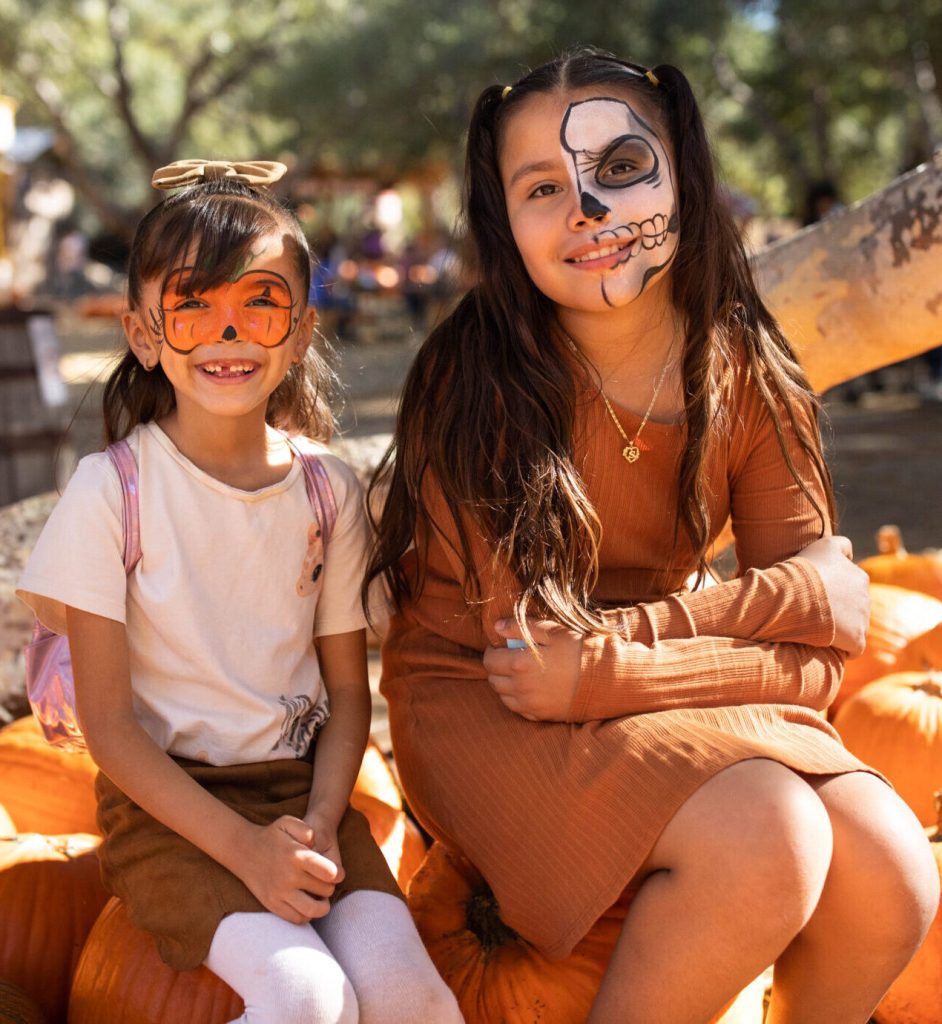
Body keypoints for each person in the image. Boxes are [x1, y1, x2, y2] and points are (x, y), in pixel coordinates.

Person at [366, 50, 940, 1023]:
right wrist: (783, 604)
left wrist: (622, 666)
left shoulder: (746, 364)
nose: (587, 207)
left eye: (622, 165)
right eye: (543, 186)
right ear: (503, 218)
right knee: (768, 836)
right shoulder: (478, 377)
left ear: (684, 173)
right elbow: (531, 669)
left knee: (891, 869)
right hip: (482, 699)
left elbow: (825, 650)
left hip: (640, 675)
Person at [17, 160, 461, 1024]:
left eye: (258, 303)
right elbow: (110, 729)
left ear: (298, 331)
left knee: (415, 999)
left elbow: (344, 697)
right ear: (145, 333)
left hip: (305, 797)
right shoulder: (113, 494)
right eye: (193, 307)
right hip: (169, 807)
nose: (229, 334)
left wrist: (321, 824)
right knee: (305, 996)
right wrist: (247, 853)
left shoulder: (327, 493)